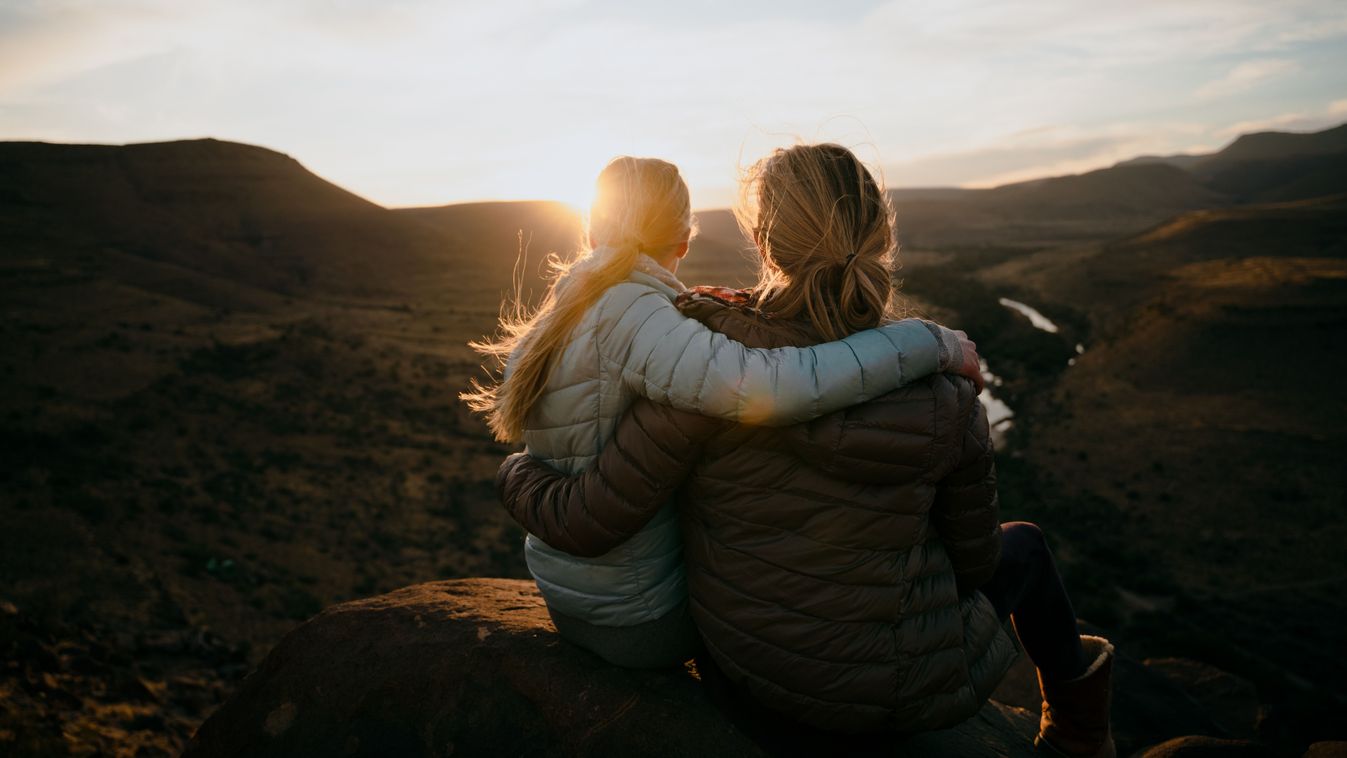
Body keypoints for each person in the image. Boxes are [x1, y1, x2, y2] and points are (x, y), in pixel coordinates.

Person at [496, 145, 1115, 758]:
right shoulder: (948, 397)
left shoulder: (699, 370)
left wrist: (519, 469)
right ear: (878, 237)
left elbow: (605, 504)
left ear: (764, 241)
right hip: (906, 693)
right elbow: (976, 564)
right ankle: (1081, 733)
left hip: (752, 691)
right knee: (1025, 546)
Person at [463, 156, 984, 671]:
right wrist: (924, 342)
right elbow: (771, 386)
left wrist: (516, 473)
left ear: (591, 231)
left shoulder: (572, 303)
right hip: (642, 620)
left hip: (574, 600)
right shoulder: (633, 313)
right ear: (684, 241)